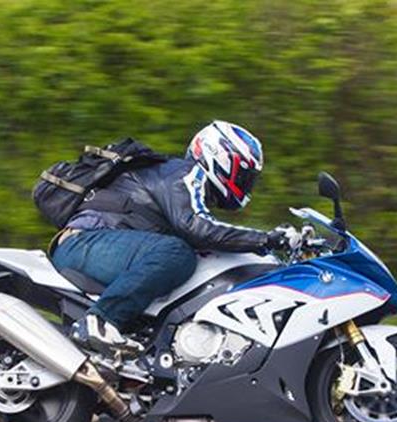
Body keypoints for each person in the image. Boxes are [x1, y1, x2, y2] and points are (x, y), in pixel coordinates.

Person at [50, 120, 298, 352]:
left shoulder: (180, 182)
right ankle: (100, 322)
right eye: (243, 175)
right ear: (220, 156)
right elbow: (197, 228)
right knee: (177, 253)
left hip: (98, 246)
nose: (245, 184)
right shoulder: (186, 174)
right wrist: (266, 240)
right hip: (84, 242)